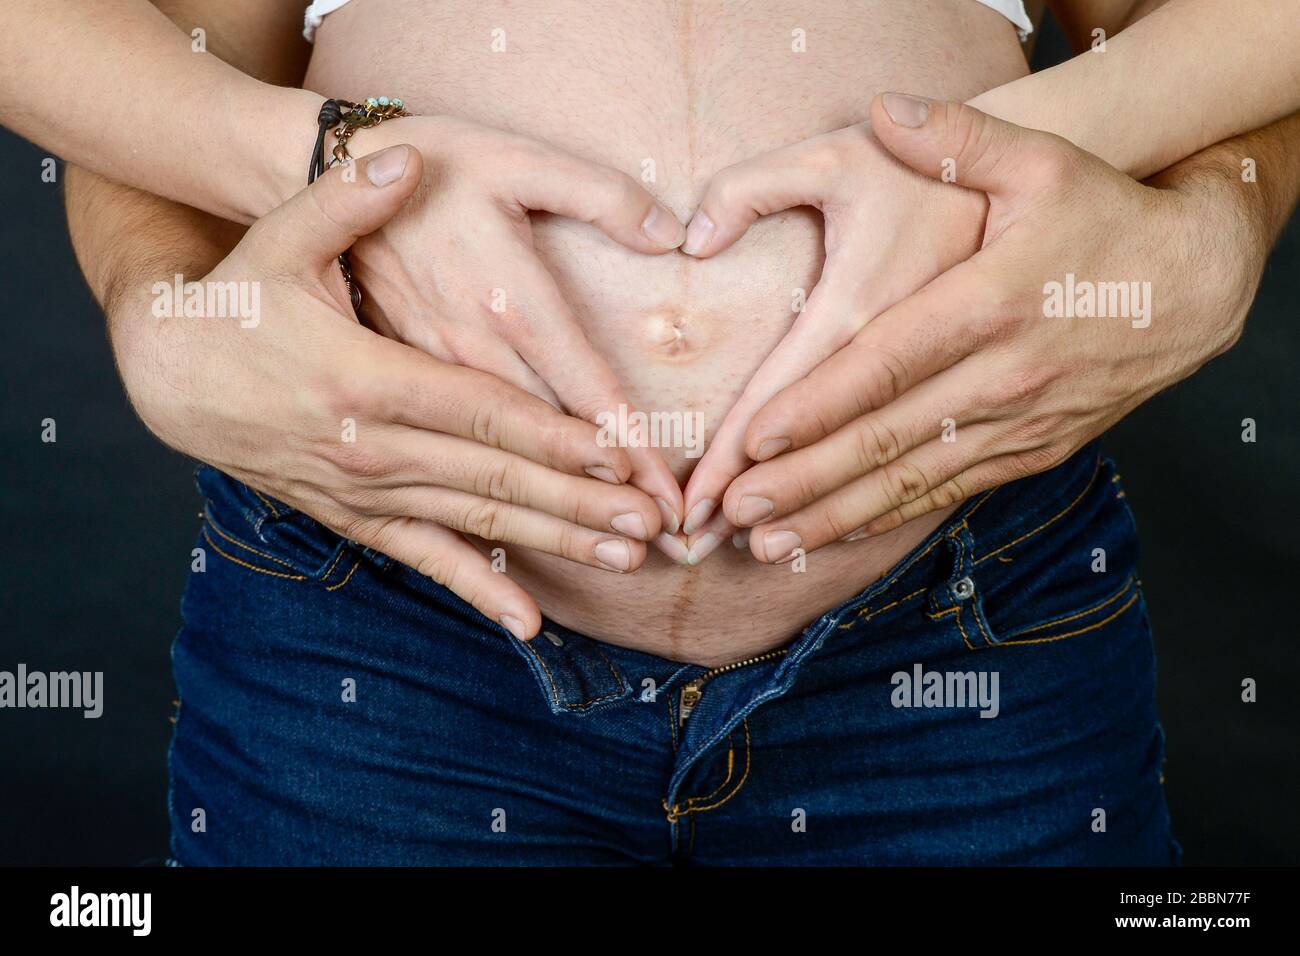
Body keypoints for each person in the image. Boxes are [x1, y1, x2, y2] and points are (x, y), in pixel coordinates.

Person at [2, 0, 1297, 863]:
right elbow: (174, 53)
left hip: (962, 630)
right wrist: (160, 309)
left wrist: (1214, 221)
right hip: (385, 646)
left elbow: (1209, 50)